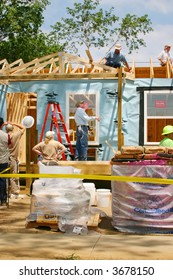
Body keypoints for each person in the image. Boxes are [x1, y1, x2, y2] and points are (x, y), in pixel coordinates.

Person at [5, 122, 25, 197]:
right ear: (13, 129)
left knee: (5, 176)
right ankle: (14, 192)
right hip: (13, 158)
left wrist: (3, 124)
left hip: (5, 158)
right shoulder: (16, 135)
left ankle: (6, 192)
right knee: (13, 176)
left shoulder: (4, 136)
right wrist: (13, 123)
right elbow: (23, 128)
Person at [0, 117, 11, 206]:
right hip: (3, 160)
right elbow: (9, 143)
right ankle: (3, 199)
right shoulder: (5, 135)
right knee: (3, 180)